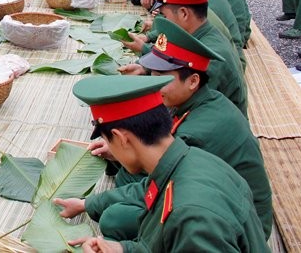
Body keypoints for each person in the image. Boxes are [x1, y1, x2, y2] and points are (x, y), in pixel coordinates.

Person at [76, 18, 272, 242]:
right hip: (217, 200)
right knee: (126, 176)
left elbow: (160, 179)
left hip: (236, 222)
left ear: (193, 81)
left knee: (115, 218)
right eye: (153, 73)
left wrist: (88, 203)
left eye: (162, 76)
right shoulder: (200, 101)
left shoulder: (197, 132)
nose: (154, 83)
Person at [57, 74, 268, 252]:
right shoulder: (193, 159)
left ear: (121, 138)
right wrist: (122, 249)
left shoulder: (191, 218)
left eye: (107, 140)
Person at [124, 0, 248, 116]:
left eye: (164, 15)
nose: (160, 21)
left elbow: (180, 105)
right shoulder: (199, 32)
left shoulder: (209, 57)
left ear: (184, 13)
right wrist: (145, 69)